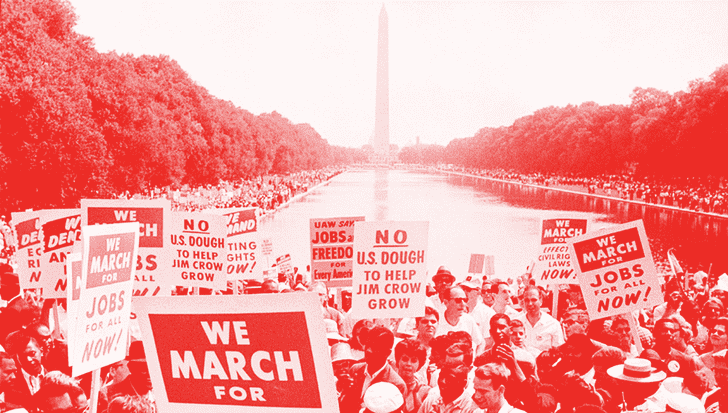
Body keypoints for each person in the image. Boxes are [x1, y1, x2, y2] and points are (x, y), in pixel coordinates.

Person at [342, 327, 406, 413]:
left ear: (387, 353)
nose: (368, 350)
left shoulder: (397, 384)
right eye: (367, 344)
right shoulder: (355, 370)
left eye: (375, 347)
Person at [99, 341, 155, 413]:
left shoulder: (161, 396)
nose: (150, 374)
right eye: (144, 368)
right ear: (131, 367)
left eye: (154, 369)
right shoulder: (107, 394)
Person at [435, 286, 485, 354]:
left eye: (465, 300)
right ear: (446, 302)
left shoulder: (468, 320)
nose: (463, 304)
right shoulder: (435, 322)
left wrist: (477, 359)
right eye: (458, 300)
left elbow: (481, 342)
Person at [515, 286, 564, 353]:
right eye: (526, 300)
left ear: (541, 301)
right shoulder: (516, 322)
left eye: (534, 300)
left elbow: (559, 352)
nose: (530, 304)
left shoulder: (553, 324)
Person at [4, 331, 45, 399]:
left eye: (32, 353)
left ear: (41, 351)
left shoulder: (55, 377)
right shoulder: (12, 384)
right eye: (23, 356)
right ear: (17, 358)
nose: (28, 359)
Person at [394, 339, 430, 413]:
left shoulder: (424, 390)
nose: (409, 364)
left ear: (419, 364)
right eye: (405, 359)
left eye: (413, 361)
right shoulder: (387, 383)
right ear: (398, 360)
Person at [460, 277, 495, 344]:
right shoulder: (458, 311)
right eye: (463, 289)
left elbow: (488, 341)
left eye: (468, 289)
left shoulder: (488, 313)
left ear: (478, 292)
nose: (465, 292)